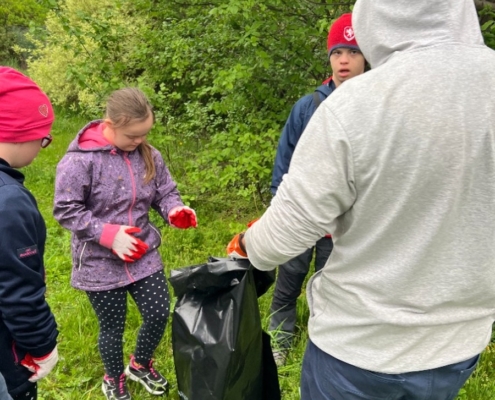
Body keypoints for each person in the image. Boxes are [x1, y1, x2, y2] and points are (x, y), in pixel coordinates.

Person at [228, 0, 495, 398]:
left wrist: (248, 246)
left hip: (360, 350)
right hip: (458, 343)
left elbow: (288, 229)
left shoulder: (356, 104)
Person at [53, 87, 197, 400]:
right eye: (133, 135)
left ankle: (140, 364)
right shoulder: (80, 161)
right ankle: (113, 377)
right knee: (112, 328)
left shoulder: (149, 154)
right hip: (98, 261)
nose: (140, 142)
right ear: (112, 124)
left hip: (141, 251)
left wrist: (175, 209)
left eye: (145, 134)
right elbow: (65, 209)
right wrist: (106, 234)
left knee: (159, 312)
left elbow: (165, 191)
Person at [268, 12, 365, 366]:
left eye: (353, 52)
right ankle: (279, 340)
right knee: (288, 283)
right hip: (301, 218)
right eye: (337, 51)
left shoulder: (374, 106)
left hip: (341, 225)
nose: (344, 59)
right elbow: (284, 162)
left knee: (331, 290)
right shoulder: (307, 107)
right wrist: (280, 210)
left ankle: (323, 349)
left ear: (366, 57)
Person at [0, 67, 59, 400]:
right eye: (44, 138)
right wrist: (42, 345)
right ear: (20, 133)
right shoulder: (8, 202)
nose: (42, 147)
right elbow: (18, 291)